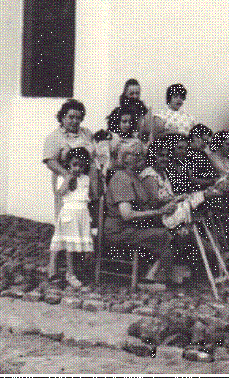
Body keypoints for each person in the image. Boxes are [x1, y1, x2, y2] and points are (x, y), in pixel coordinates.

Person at [103, 139, 179, 287]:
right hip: (119, 231)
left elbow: (146, 204)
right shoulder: (121, 178)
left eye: (142, 155)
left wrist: (172, 201)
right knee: (164, 234)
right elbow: (127, 215)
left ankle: (154, 274)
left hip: (133, 228)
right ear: (124, 158)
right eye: (136, 155)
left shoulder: (135, 177)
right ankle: (156, 278)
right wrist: (159, 211)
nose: (141, 158)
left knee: (176, 229)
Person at [48, 148, 96, 288]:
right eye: (74, 164)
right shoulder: (64, 177)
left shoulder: (86, 178)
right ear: (68, 163)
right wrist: (68, 178)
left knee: (79, 245)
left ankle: (77, 271)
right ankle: (70, 273)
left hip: (82, 214)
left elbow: (90, 195)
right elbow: (60, 193)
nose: (77, 168)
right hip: (69, 213)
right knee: (70, 246)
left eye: (81, 166)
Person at [42, 99, 95, 218]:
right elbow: (50, 161)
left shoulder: (86, 133)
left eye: (78, 118)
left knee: (87, 214)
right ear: (62, 117)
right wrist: (67, 175)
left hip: (88, 180)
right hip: (67, 179)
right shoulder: (55, 136)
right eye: (71, 117)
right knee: (67, 213)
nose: (75, 121)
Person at [97, 107, 140, 181]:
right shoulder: (110, 137)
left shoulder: (136, 141)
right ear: (117, 122)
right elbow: (101, 159)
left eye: (130, 122)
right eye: (124, 121)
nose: (127, 125)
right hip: (112, 175)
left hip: (129, 176)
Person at [186, 124, 218, 189]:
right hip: (195, 190)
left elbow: (211, 173)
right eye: (204, 141)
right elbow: (189, 179)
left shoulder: (202, 154)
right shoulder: (186, 153)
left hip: (208, 189)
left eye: (207, 143)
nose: (205, 145)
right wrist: (210, 182)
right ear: (194, 137)